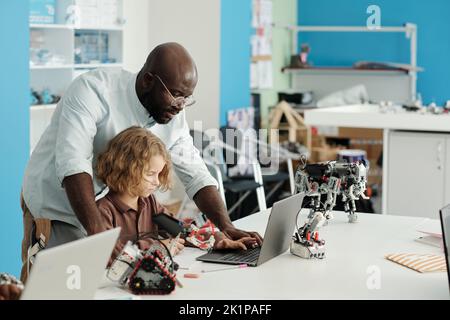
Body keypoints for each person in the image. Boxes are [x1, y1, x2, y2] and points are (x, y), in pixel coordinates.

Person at [20, 42, 262, 281]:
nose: (180, 106)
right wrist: (101, 241)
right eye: (176, 95)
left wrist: (225, 227)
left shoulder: (149, 203)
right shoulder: (93, 90)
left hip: (101, 210)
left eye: (186, 98)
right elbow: (73, 164)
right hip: (56, 206)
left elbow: (196, 174)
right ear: (148, 80)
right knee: (56, 288)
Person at [95, 126, 253, 262]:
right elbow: (111, 255)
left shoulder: (149, 202)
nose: (157, 182)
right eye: (150, 173)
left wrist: (215, 239)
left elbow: (179, 230)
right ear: (125, 169)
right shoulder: (102, 211)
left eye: (159, 174)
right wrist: (157, 247)